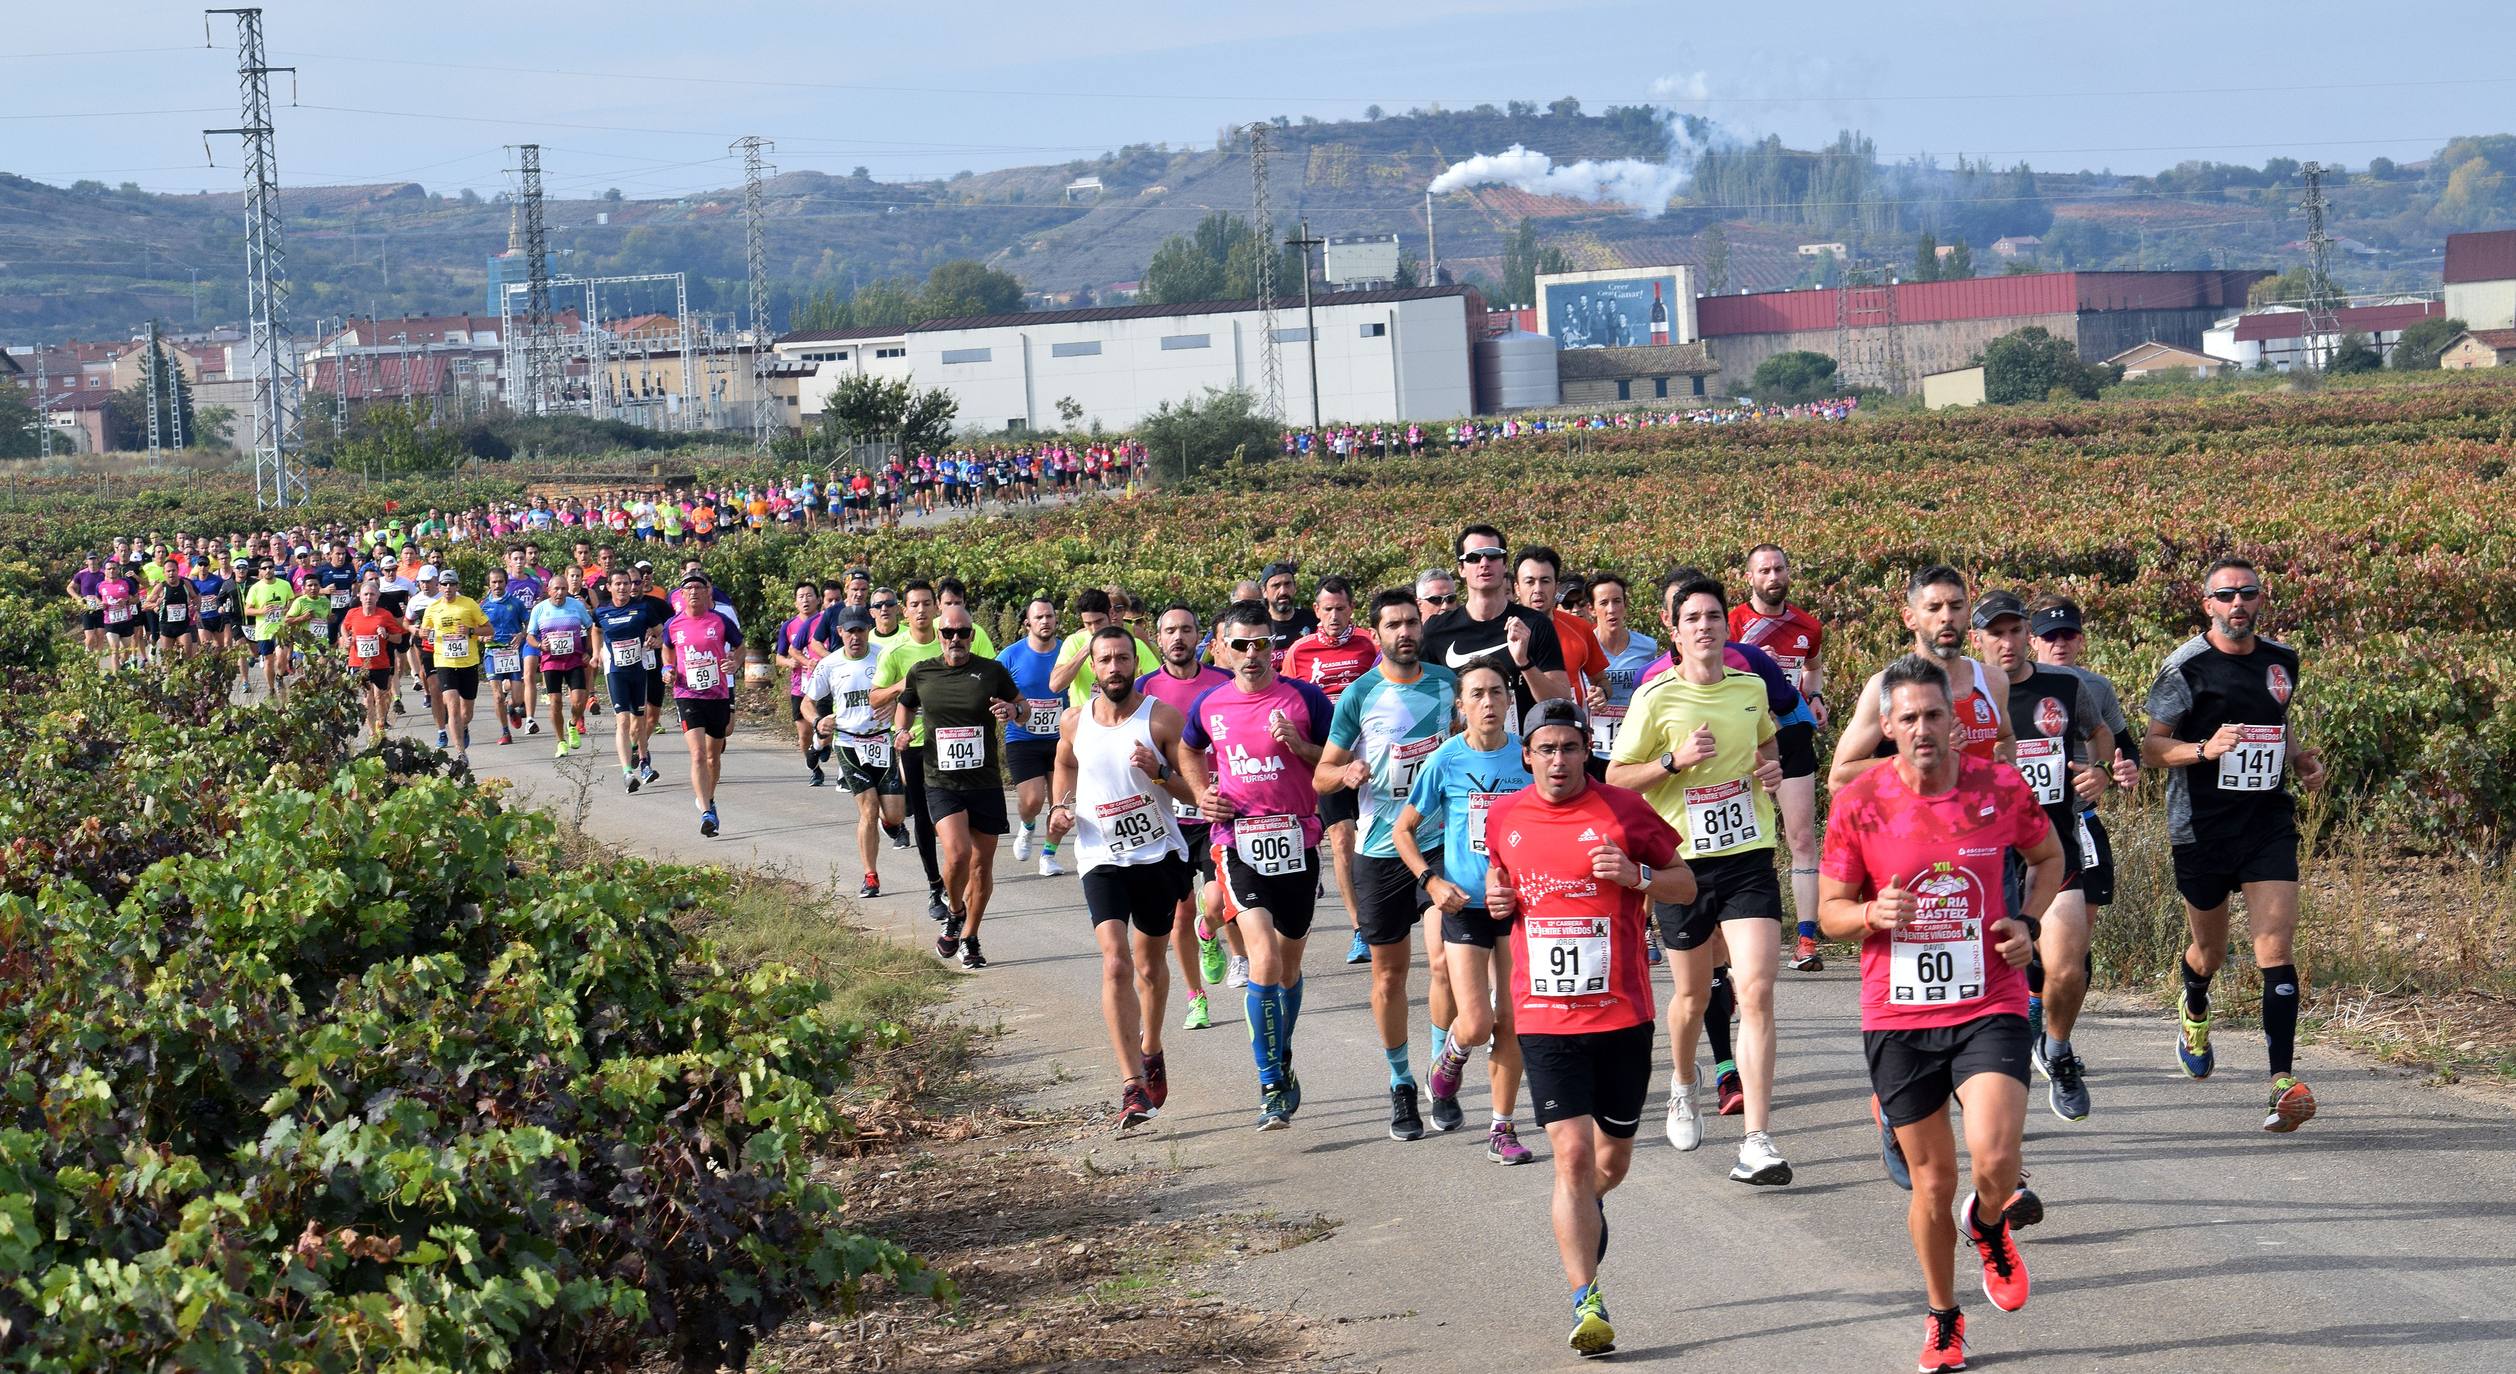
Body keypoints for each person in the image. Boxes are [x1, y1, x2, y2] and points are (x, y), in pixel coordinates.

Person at [1818, 654, 2062, 1373]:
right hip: (1898, 1014)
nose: (1923, 729)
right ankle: (1943, 1317)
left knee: (1995, 1157)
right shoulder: (1860, 801)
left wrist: (2029, 920)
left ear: (1956, 723)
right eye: (1909, 718)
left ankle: (1989, 1227)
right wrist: (1867, 912)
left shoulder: (1999, 787)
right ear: (1887, 727)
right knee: (1933, 1182)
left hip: (1990, 999)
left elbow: (2048, 860)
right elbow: (1828, 913)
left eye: (1935, 715)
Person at [1484, 697, 1691, 1358]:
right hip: (1544, 1015)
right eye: (1545, 749)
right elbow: (1500, 882)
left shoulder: (1624, 812)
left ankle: (1584, 1206)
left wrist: (1639, 876)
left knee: (1610, 1161)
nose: (1558, 760)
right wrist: (1497, 898)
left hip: (1623, 1013)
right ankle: (1587, 1299)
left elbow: (1685, 885)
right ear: (1527, 755)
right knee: (1570, 1154)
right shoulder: (1504, 815)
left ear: (1585, 752)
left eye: (1570, 748)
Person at [1606, 573, 1791, 1185]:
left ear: (1726, 625)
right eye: (1693, 619)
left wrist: (1769, 769)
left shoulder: (1748, 687)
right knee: (1692, 996)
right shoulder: (1655, 698)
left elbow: (1770, 747)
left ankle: (1758, 1140)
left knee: (1756, 988)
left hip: (1748, 854)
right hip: (1681, 864)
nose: (1705, 626)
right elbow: (1617, 778)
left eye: (1714, 616)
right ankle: (1683, 1084)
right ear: (1675, 631)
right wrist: (1672, 761)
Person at [2141, 558, 2327, 1132]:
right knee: (2212, 952)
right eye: (2226, 595)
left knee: (2276, 946)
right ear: (2208, 604)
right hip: (2200, 828)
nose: (2238, 604)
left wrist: (2298, 759)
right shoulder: (2184, 669)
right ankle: (2194, 1000)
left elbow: (2279, 719)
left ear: (2261, 599)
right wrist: (2202, 750)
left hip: (2266, 822)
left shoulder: (2282, 661)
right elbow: (2152, 748)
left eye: (2247, 593)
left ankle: (2280, 1083)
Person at [1180, 600, 1335, 1131]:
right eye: (1241, 644)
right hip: (1235, 842)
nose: (1252, 654)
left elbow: (1337, 761)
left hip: (1299, 843)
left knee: (1289, 968)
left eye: (1261, 643)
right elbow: (1187, 750)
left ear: (1275, 646)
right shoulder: (1210, 704)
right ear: (1221, 646)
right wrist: (1203, 794)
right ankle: (1270, 1083)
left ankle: (1281, 1056)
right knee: (1263, 957)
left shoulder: (1305, 697)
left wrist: (1301, 746)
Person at [1315, 587, 1460, 1138]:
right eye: (1393, 625)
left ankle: (1437, 1072)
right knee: (1389, 975)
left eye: (1411, 623)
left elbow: (1465, 744)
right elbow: (1322, 773)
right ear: (1375, 635)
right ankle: (1401, 1083)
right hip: (1379, 848)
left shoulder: (1447, 686)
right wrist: (1346, 775)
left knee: (1444, 959)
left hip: (1440, 841)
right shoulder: (1358, 694)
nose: (1405, 632)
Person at [1048, 626, 1204, 1128]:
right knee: (1115, 963)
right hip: (1100, 856)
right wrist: (1059, 806)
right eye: (1105, 660)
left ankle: (1152, 1046)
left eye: (1122, 658)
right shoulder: (1074, 722)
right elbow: (1063, 764)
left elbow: (1193, 792)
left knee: (1148, 967)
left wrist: (1157, 771)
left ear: (1136, 663)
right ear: (1092, 666)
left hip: (1157, 855)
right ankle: (1131, 1084)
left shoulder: (1161, 717)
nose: (1114, 667)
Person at [1972, 590, 2115, 1122]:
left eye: (2015, 632)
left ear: (2027, 635)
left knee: (2068, 965)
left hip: (2051, 846)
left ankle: (2056, 1049)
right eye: (1995, 633)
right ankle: (1995, 1101)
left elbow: (2099, 733)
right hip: (1981, 854)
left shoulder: (2064, 685)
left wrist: (2099, 771)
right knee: (1990, 986)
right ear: (1977, 640)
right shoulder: (1961, 691)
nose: (2006, 644)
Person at [1398, 656, 1537, 1165]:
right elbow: (1403, 830)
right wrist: (1430, 881)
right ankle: (1451, 1056)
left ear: (1508, 701)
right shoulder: (1446, 760)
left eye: (1496, 693)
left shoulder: (1527, 759)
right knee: (1476, 1024)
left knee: (1513, 1020)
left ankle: (1502, 1127)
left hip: (1517, 906)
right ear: (1461, 706)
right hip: (1464, 906)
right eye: (1476, 694)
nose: (1487, 702)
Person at [897, 606, 1022, 968]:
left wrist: (1013, 713)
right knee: (957, 854)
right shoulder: (922, 672)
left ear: (971, 634)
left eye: (963, 632)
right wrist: (901, 732)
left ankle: (969, 936)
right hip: (941, 780)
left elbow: (1023, 707)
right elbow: (905, 706)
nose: (956, 639)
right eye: (949, 633)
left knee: (982, 867)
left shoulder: (991, 671)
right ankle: (954, 909)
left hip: (984, 783)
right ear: (939, 636)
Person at [1138, 602, 1242, 1027]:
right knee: (1178, 912)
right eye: (1169, 631)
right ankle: (1195, 995)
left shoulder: (1224, 682)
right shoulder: (1144, 688)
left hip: (1215, 812)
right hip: (1167, 817)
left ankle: (1212, 933)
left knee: (1220, 898)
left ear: (1200, 637)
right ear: (1158, 639)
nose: (1178, 638)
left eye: (1186, 630)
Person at [1731, 543, 1831, 972]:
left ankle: (1806, 940)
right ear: (1750, 578)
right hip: (1741, 740)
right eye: (1764, 571)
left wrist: (1816, 695)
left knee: (1802, 838)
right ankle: (1732, 946)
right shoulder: (1731, 622)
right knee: (1740, 842)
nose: (1773, 577)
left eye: (1779, 569)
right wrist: (1755, 666)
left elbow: (1812, 670)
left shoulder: (1807, 625)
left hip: (1790, 736)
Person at [1830, 565, 2015, 789]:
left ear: (1967, 611)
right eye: (1934, 608)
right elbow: (1839, 779)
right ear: (1910, 618)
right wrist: (1918, 757)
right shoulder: (1886, 686)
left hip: (1981, 820)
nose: (1947, 617)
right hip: (1912, 820)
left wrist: (2004, 766)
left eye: (1956, 606)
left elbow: (2004, 737)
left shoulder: (1993, 681)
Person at [1282, 575, 1383, 966]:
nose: (1335, 616)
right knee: (1341, 839)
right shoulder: (1300, 650)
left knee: (1371, 838)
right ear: (1317, 610)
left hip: (1372, 756)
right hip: (1327, 757)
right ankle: (1360, 929)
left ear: (1351, 609)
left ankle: (1387, 910)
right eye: (1327, 609)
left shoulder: (1368, 645)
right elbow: (1288, 699)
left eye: (1341, 608)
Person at [871, 579, 975, 924]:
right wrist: (908, 683)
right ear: (905, 611)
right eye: (913, 605)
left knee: (957, 818)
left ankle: (956, 877)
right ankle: (935, 885)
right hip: (915, 745)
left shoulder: (953, 641)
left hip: (954, 742)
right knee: (927, 818)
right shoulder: (896, 652)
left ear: (936, 607)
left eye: (926, 604)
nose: (920, 610)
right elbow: (875, 697)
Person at [1421, 524, 1568, 719]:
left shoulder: (1535, 624)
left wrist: (1524, 662)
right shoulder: (1436, 630)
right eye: (1473, 558)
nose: (1484, 563)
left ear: (1505, 564)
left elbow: (1561, 702)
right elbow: (1421, 699)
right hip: (1463, 746)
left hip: (1522, 747)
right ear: (1461, 569)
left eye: (1492, 555)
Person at [803, 606, 898, 898]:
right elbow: (807, 702)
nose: (855, 637)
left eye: (860, 630)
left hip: (883, 740)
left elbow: (907, 689)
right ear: (840, 632)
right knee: (868, 808)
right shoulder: (830, 665)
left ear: (867, 630)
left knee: (895, 817)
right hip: (849, 742)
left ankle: (889, 822)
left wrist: (897, 704)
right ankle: (871, 876)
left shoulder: (884, 655)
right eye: (849, 631)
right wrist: (819, 721)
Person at [662, 570, 742, 837]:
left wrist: (736, 661)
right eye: (689, 589)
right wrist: (668, 668)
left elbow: (740, 646)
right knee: (697, 754)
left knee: (712, 757)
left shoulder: (720, 621)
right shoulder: (673, 624)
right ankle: (706, 812)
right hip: (687, 694)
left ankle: (710, 797)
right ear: (681, 595)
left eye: (699, 588)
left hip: (717, 694)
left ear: (708, 593)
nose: (694, 592)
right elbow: (667, 648)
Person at [1000, 597, 1071, 876]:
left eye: (1050, 616)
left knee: (1060, 803)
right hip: (1022, 737)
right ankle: (1028, 825)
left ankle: (1048, 855)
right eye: (1039, 617)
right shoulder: (1010, 655)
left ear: (1056, 620)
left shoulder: (1068, 651)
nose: (1045, 621)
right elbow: (991, 687)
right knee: (1031, 801)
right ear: (1027, 623)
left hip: (1061, 739)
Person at [593, 569, 668, 792]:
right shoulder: (602, 611)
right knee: (623, 721)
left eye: (626, 583)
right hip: (615, 672)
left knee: (639, 720)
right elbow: (595, 630)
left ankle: (644, 762)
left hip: (638, 669)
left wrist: (657, 641)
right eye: (618, 584)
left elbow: (661, 632)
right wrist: (597, 653)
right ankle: (627, 772)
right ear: (609, 587)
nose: (623, 588)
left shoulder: (642, 608)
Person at [1515, 546, 1606, 700]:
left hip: (1569, 721)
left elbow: (1601, 681)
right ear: (1517, 588)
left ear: (1556, 587)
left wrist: (1602, 693)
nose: (1538, 589)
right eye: (1530, 582)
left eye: (1545, 581)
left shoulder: (1580, 628)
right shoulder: (1502, 629)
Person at [420, 569, 492, 763]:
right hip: (444, 662)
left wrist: (470, 630)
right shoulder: (433, 608)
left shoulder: (469, 604)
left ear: (457, 586)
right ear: (439, 586)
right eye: (444, 584)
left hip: (468, 663)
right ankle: (461, 753)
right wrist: (425, 633)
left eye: (452, 584)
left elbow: (489, 629)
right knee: (452, 706)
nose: (448, 588)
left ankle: (464, 726)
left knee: (466, 713)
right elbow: (423, 631)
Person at [528, 576, 596, 757]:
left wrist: (588, 649)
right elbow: (530, 636)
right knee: (555, 703)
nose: (560, 592)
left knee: (579, 700)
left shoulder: (576, 606)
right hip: (551, 661)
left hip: (574, 659)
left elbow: (591, 627)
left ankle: (572, 724)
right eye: (556, 588)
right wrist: (539, 646)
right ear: (548, 590)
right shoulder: (539, 609)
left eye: (564, 589)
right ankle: (561, 742)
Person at [340, 577, 406, 747]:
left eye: (372, 594)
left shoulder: (385, 615)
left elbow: (398, 638)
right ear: (360, 597)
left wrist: (386, 635)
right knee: (367, 697)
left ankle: (381, 724)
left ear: (378, 597)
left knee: (380, 696)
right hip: (358, 663)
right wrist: (346, 639)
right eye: (366, 594)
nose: (369, 597)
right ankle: (372, 733)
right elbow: (344, 626)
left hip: (380, 664)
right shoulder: (352, 613)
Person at [774, 582, 829, 785]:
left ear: (818, 599)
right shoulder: (789, 627)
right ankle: (814, 768)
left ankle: (823, 745)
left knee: (826, 726)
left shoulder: (827, 622)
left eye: (809, 595)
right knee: (804, 733)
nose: (805, 600)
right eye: (801, 596)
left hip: (824, 686)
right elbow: (779, 657)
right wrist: (790, 662)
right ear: (795, 602)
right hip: (800, 686)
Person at [479, 567, 530, 748]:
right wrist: (481, 637)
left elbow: (529, 623)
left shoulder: (516, 603)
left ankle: (511, 707)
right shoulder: (483, 605)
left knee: (516, 698)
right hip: (492, 653)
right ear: (489, 584)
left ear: (506, 583)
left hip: (512, 652)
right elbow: (476, 630)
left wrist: (522, 635)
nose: (497, 585)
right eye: (494, 582)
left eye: (500, 581)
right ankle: (505, 731)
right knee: (497, 696)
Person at [1260, 561, 1317, 668]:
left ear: (1295, 587)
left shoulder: (1314, 620)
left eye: (1287, 584)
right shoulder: (1258, 626)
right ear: (1264, 592)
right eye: (1276, 586)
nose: (1283, 591)